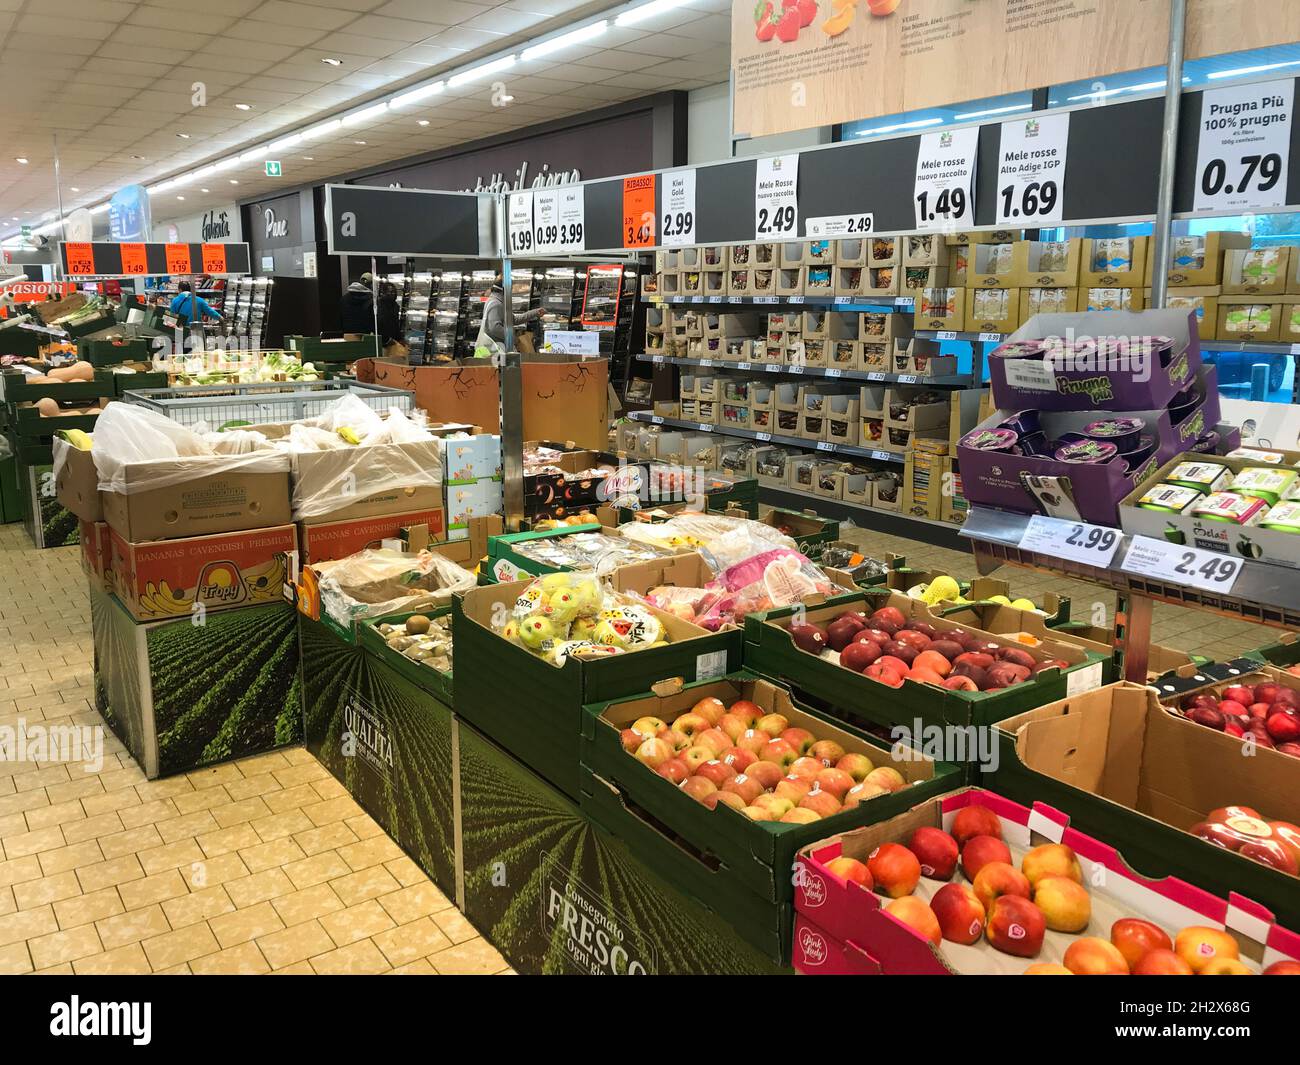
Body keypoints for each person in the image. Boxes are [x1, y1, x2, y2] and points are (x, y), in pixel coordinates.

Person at [475, 278, 543, 358]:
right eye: (511, 289)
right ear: (504, 290)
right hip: (492, 351)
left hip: (493, 350)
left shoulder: (497, 302)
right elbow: (494, 328)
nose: (511, 292)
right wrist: (512, 338)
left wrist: (535, 312)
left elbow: (514, 319)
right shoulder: (495, 304)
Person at [169, 280, 221, 353]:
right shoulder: (199, 300)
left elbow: (172, 318)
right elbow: (210, 312)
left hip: (180, 332)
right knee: (197, 354)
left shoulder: (175, 301)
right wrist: (220, 318)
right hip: (196, 332)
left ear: (180, 289)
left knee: (181, 355)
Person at [375, 281, 408, 361]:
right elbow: (380, 323)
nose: (393, 294)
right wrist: (386, 339)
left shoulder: (395, 306)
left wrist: (399, 338)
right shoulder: (379, 306)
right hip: (383, 342)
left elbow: (396, 323)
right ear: (383, 293)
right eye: (390, 292)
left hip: (392, 341)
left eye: (394, 292)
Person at [340, 271, 375, 340]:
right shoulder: (371, 299)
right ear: (371, 284)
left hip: (348, 334)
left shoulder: (344, 299)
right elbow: (373, 319)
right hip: (366, 335)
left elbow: (340, 317)